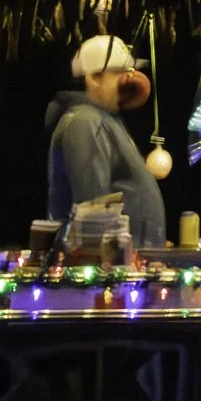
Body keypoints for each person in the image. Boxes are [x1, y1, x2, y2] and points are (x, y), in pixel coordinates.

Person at [46, 34, 167, 248]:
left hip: (128, 259)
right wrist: (107, 258)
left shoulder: (107, 120)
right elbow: (93, 210)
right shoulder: (85, 122)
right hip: (111, 265)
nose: (129, 78)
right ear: (94, 78)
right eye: (120, 73)